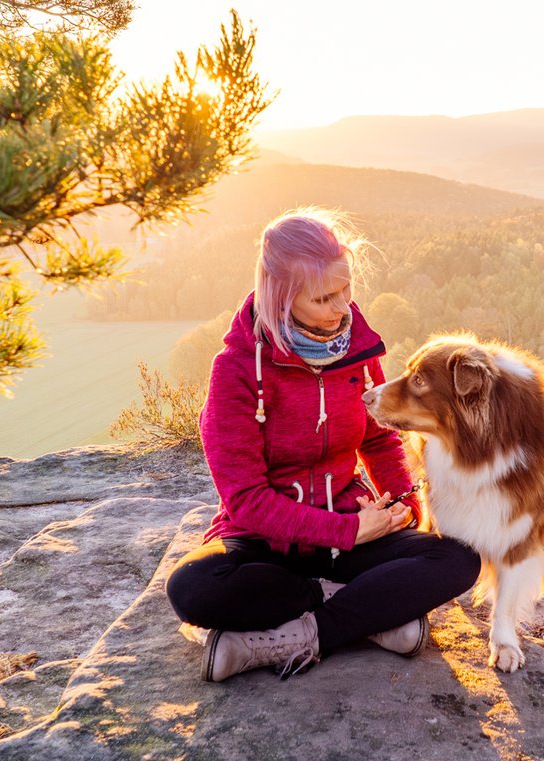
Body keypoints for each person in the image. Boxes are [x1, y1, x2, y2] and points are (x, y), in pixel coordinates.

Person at [165, 207, 481, 682]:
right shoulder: (234, 371)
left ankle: (297, 635)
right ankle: (366, 613)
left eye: (346, 289)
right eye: (323, 298)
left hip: (350, 522)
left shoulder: (357, 350)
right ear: (282, 297)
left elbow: (378, 439)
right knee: (193, 589)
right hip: (264, 543)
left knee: (457, 558)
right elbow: (246, 500)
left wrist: (399, 503)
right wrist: (346, 534)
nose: (341, 308)